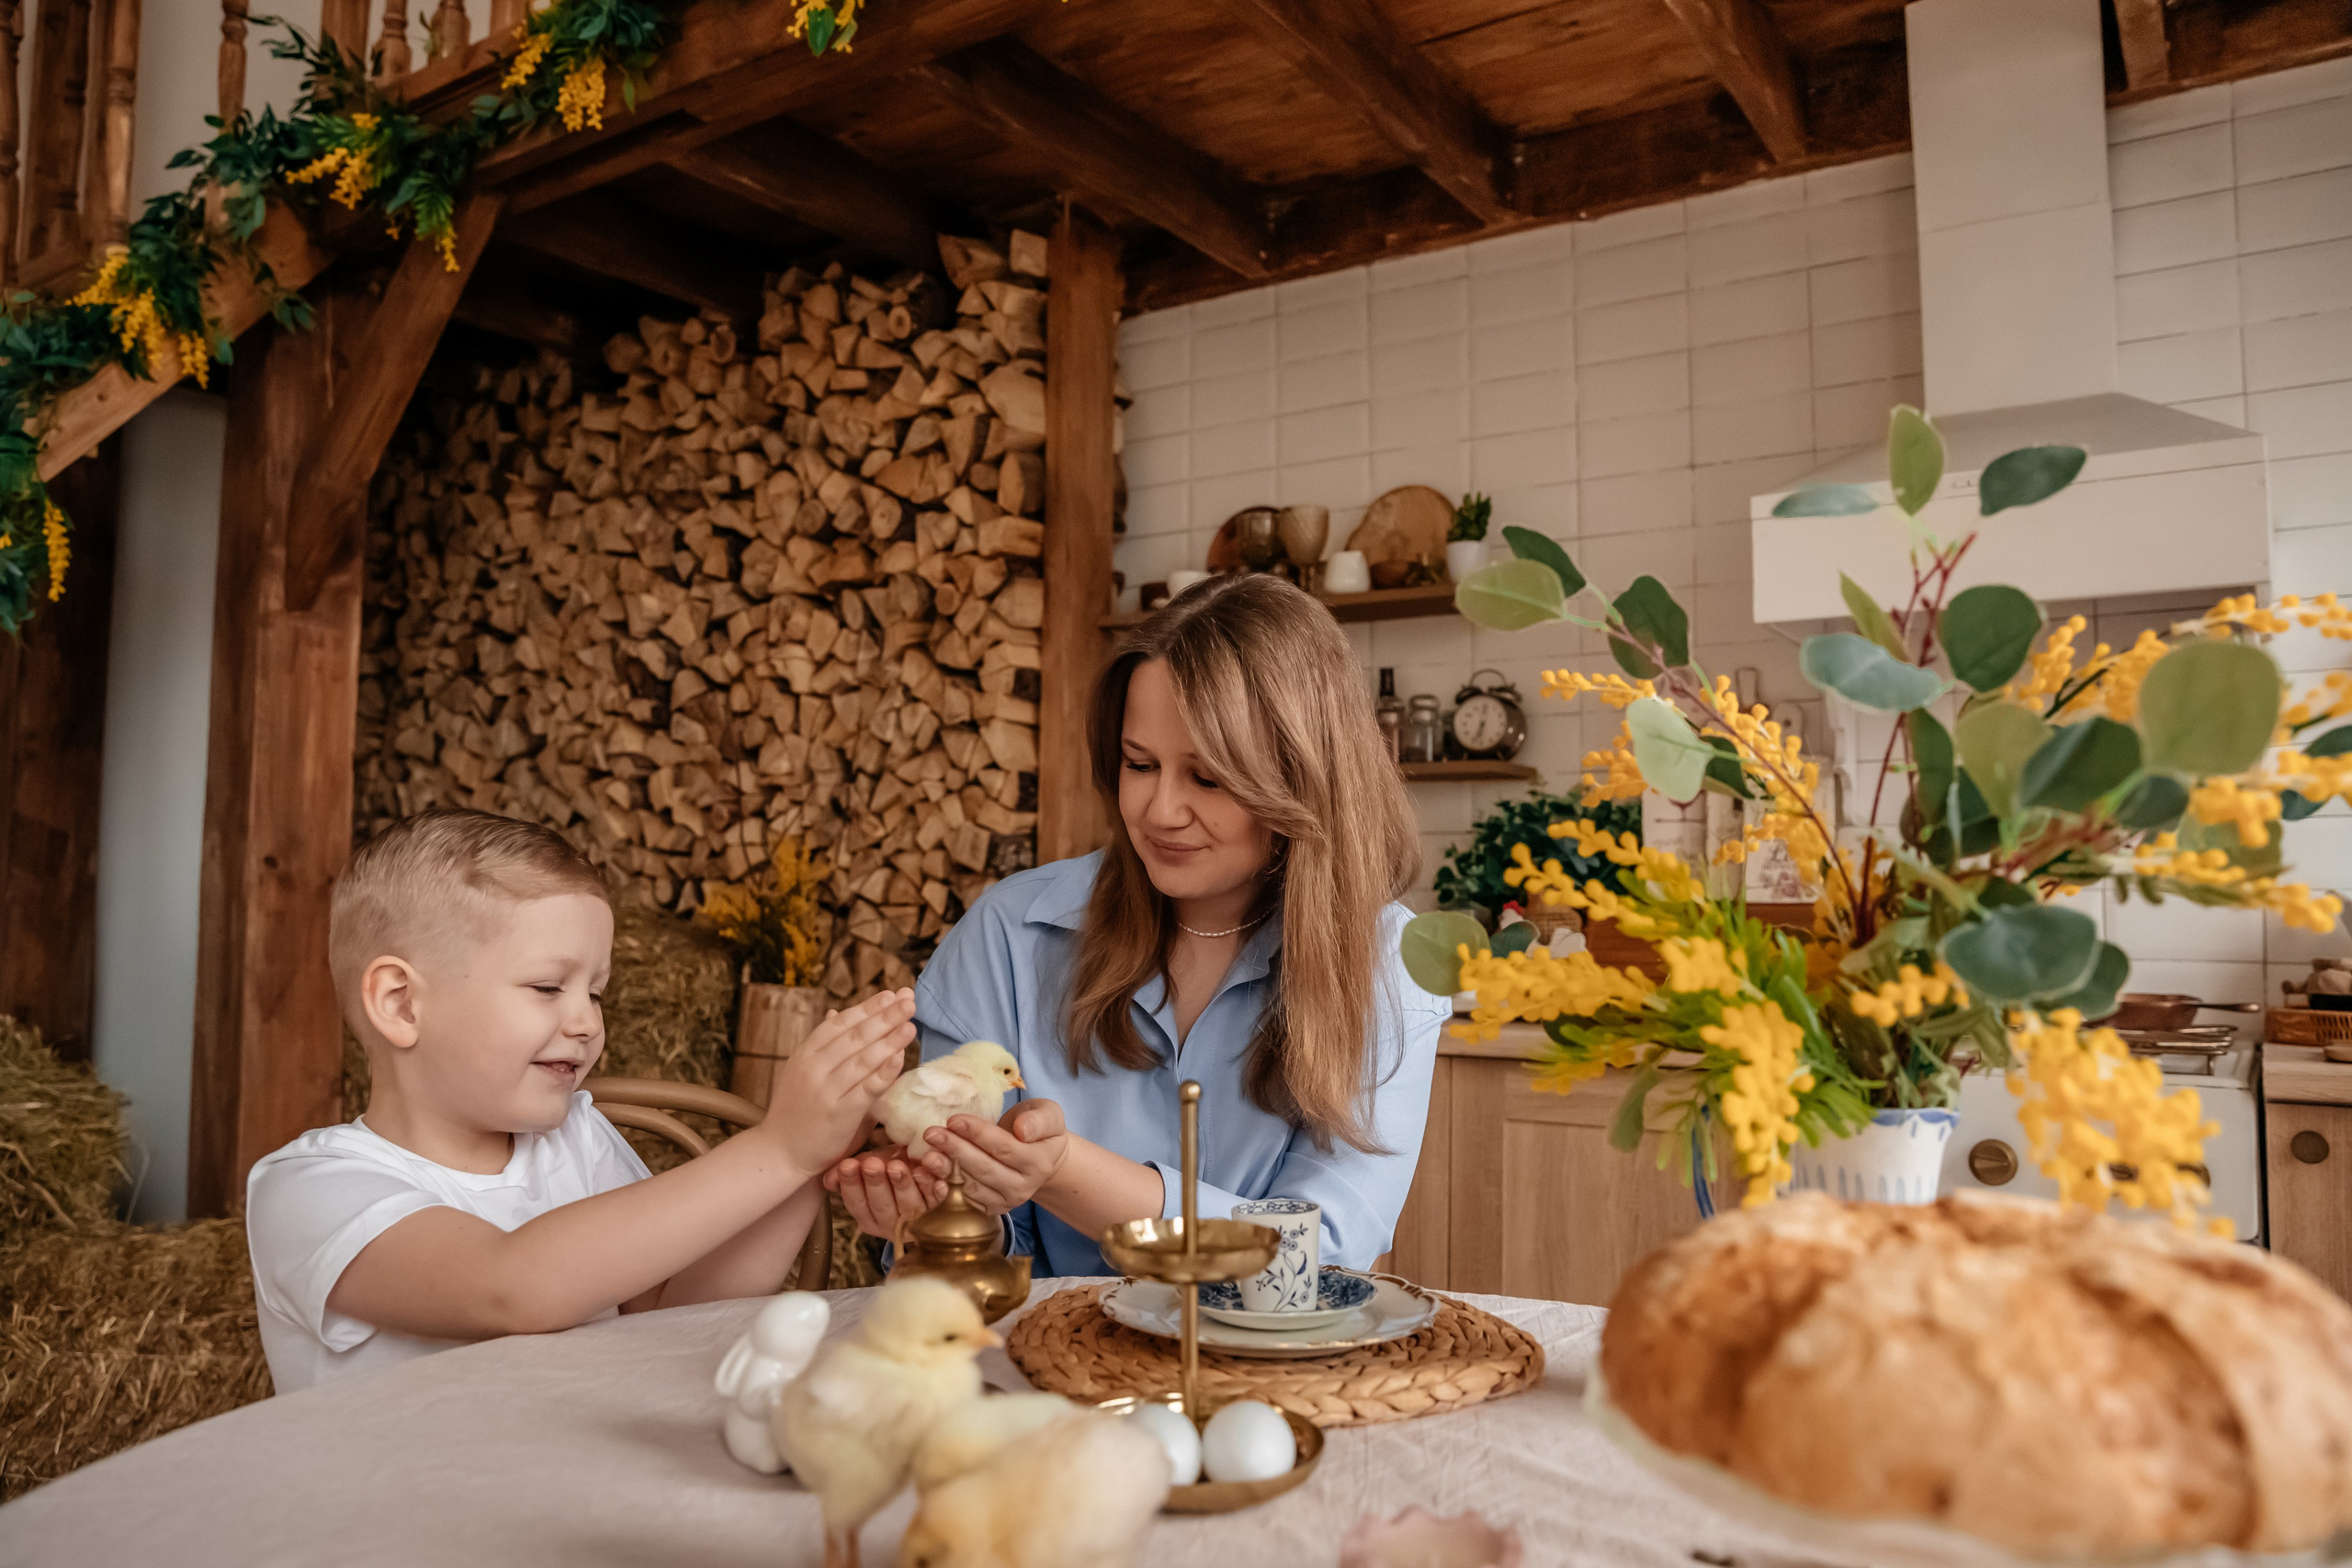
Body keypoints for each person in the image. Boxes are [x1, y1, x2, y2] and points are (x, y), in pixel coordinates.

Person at [827, 573, 1450, 1276]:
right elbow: (982, 1261)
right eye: (1139, 764)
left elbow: (1320, 1251)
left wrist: (1063, 1168)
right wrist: (939, 1223)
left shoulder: (1390, 961)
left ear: (1304, 778)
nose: (1160, 810)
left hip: (1267, 1377)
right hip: (1041, 1374)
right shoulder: (1008, 934)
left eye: (1208, 778)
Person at [244, 809, 914, 1393]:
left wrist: (808, 1162)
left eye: (595, 992)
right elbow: (513, 1286)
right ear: (400, 1003)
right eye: (546, 987)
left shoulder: (577, 1140)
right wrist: (778, 1145)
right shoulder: (308, 1190)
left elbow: (675, 1315)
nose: (587, 1022)